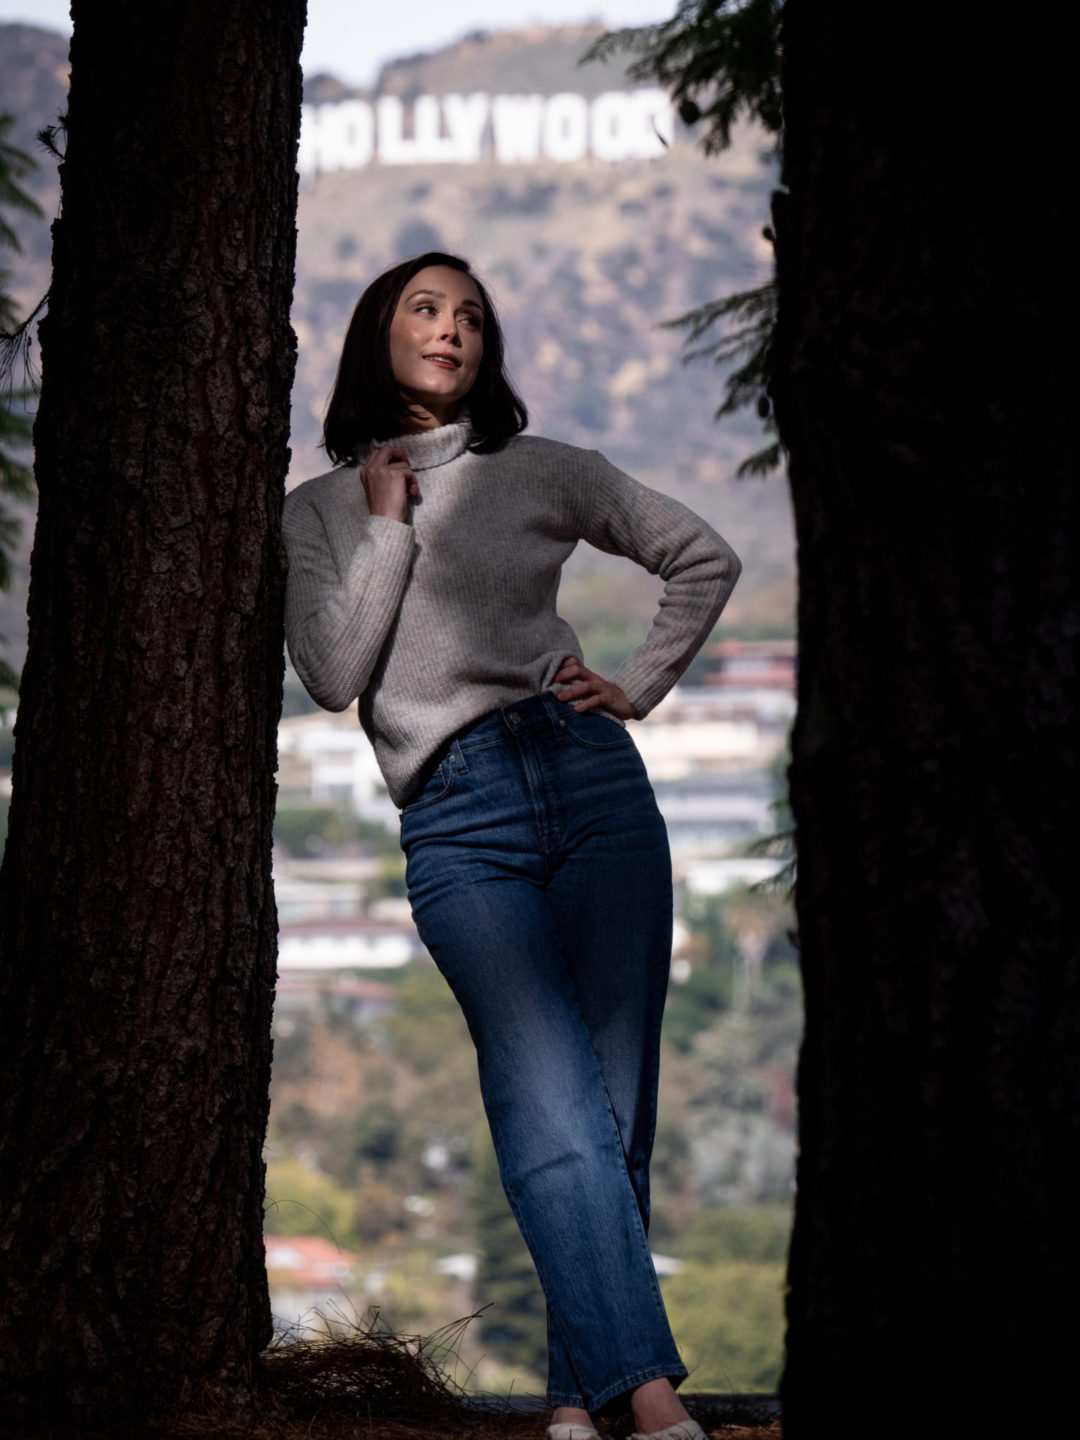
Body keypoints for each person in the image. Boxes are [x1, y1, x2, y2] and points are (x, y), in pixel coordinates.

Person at [283, 252, 741, 1440]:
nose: (453, 330)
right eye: (427, 309)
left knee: (613, 1113)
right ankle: (651, 1402)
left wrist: (638, 685)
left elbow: (703, 555)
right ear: (379, 332)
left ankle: (575, 1403)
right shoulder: (318, 512)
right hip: (457, 816)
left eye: (473, 317)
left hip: (591, 782)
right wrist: (388, 528)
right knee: (547, 1094)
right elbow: (333, 672)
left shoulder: (542, 469)